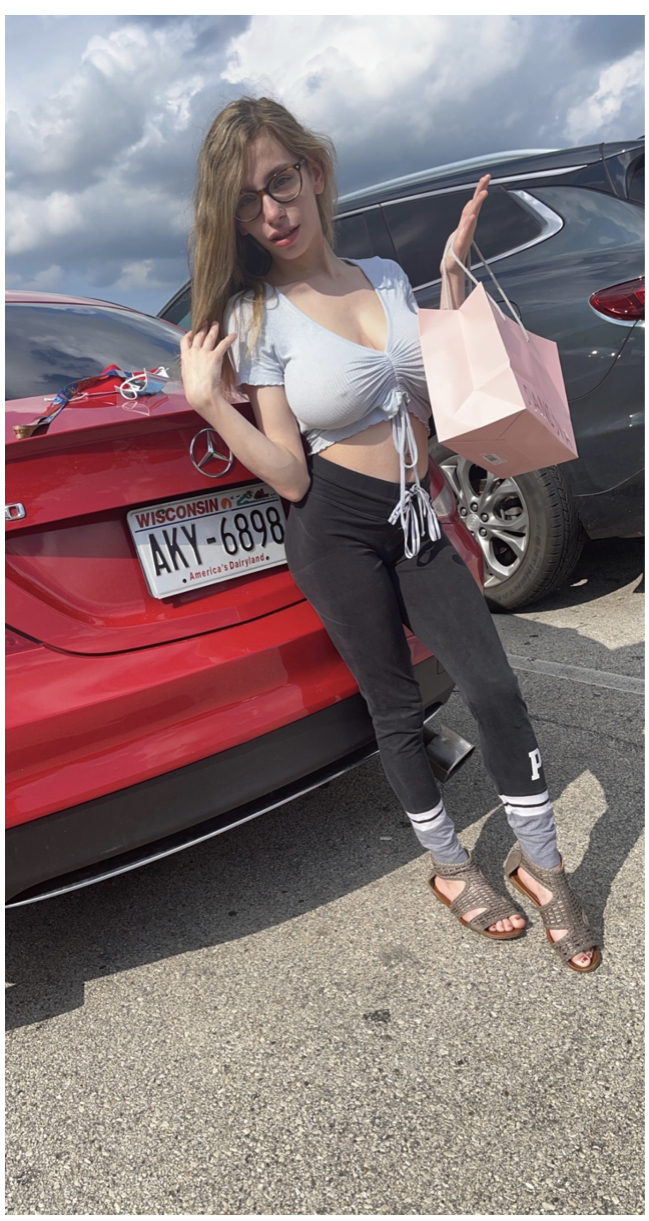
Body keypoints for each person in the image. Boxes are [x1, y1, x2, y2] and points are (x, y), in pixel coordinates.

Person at [180, 96, 599, 972]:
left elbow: (436, 401)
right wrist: (211, 404)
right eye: (248, 202)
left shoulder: (381, 277)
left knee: (492, 686)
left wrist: (449, 283)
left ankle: (543, 862)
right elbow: (289, 474)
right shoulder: (258, 316)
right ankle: (449, 865)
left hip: (418, 512)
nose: (272, 212)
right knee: (395, 705)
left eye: (280, 182)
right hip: (333, 528)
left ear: (313, 171)